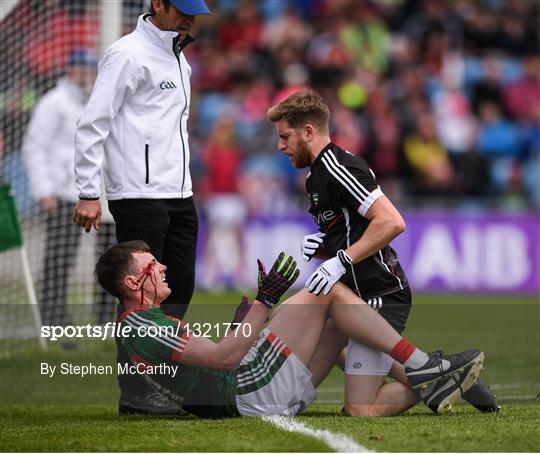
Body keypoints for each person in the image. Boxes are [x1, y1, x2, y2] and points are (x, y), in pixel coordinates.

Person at [266, 90, 499, 415]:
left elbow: (391, 221)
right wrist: (324, 247)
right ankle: (445, 376)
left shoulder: (337, 167)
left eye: (285, 136)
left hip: (379, 295)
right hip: (354, 296)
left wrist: (341, 260)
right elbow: (352, 231)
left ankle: (442, 375)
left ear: (308, 131)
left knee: (360, 409)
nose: (280, 146)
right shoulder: (315, 177)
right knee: (325, 341)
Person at [95, 240, 485, 418]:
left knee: (359, 401)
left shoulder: (139, 324)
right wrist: (263, 302)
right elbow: (225, 359)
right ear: (133, 284)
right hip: (248, 391)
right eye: (152, 266)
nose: (162, 268)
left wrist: (243, 324)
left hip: (244, 390)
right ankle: (423, 366)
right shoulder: (145, 326)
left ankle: (431, 383)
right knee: (327, 289)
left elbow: (213, 357)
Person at [72, 0, 211, 414]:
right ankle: (135, 392)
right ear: (157, 4)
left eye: (194, 11)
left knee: (178, 288)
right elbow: (93, 121)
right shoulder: (126, 54)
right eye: (182, 9)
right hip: (138, 193)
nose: (190, 18)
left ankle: (164, 381)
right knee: (141, 297)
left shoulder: (180, 60)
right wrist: (87, 191)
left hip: (180, 193)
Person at [21, 49, 115, 330]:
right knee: (60, 259)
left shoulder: (98, 100)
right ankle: (54, 319)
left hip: (104, 195)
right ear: (71, 69)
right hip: (64, 194)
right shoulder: (54, 102)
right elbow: (35, 146)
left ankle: (107, 320)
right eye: (82, 68)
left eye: (90, 69)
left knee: (112, 260)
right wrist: (43, 189)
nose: (87, 74)